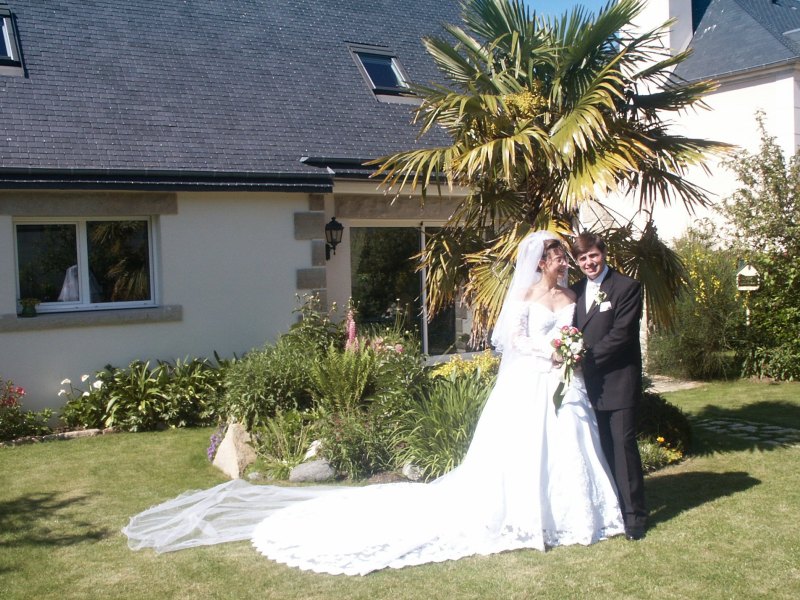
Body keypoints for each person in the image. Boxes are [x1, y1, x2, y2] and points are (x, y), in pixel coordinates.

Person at [122, 231, 624, 575]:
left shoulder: (573, 297)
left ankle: (578, 517)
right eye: (559, 258)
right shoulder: (524, 300)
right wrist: (552, 351)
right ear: (542, 262)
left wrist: (569, 352)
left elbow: (579, 329)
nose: (565, 264)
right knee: (524, 452)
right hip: (532, 382)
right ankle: (522, 516)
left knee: (570, 445)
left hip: (564, 384)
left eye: (565, 259)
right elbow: (513, 340)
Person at [570, 232, 647, 541]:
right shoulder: (574, 292)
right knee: (599, 449)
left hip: (617, 381)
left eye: (593, 255)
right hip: (585, 385)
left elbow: (622, 335)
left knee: (623, 447)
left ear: (604, 254)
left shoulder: (627, 287)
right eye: (582, 258)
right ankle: (613, 509)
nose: (589, 262)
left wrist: (582, 358)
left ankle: (635, 518)